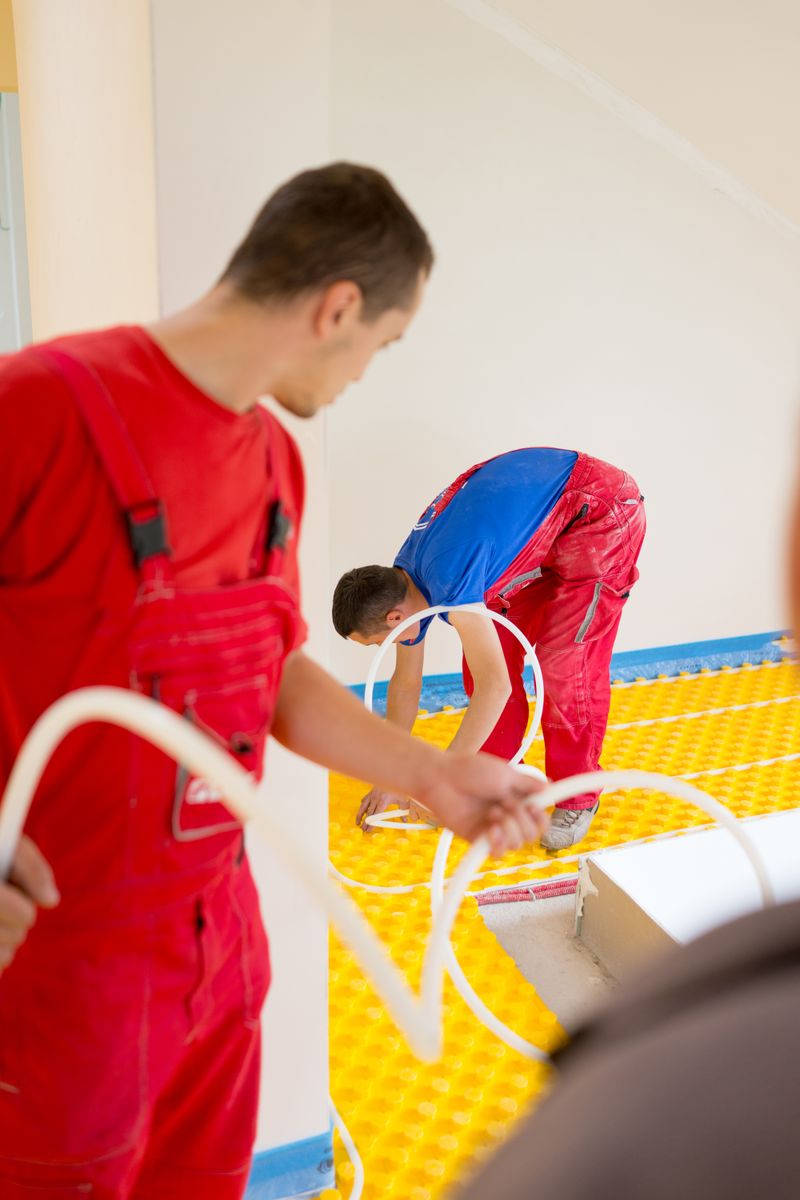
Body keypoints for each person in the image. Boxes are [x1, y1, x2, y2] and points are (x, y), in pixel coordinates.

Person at [0, 163, 547, 1199]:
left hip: (217, 950)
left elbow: (277, 670)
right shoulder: (37, 409)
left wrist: (431, 773)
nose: (363, 374)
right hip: (62, 974)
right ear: (336, 308)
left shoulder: (274, 468)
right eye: (381, 344)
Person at [333, 448, 645, 850]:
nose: (384, 648)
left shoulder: (448, 579)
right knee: (484, 659)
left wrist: (440, 782)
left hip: (598, 508)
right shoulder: (403, 583)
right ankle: (499, 781)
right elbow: (406, 684)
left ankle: (577, 798)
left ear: (394, 618)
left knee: (565, 666)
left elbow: (495, 686)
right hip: (545, 523)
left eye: (377, 642)